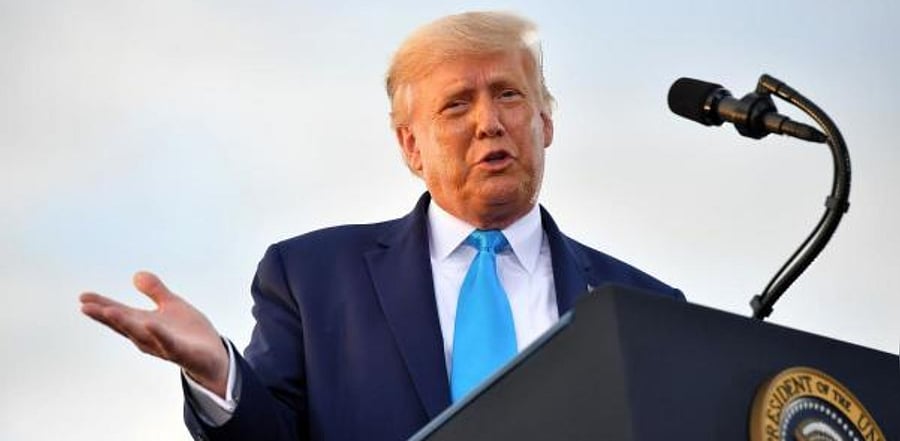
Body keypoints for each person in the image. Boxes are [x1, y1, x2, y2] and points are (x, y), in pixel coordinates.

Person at [80, 11, 683, 441]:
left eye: (508, 94)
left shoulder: (647, 306)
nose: (489, 123)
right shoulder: (311, 279)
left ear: (545, 124)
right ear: (410, 146)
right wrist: (217, 372)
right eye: (456, 105)